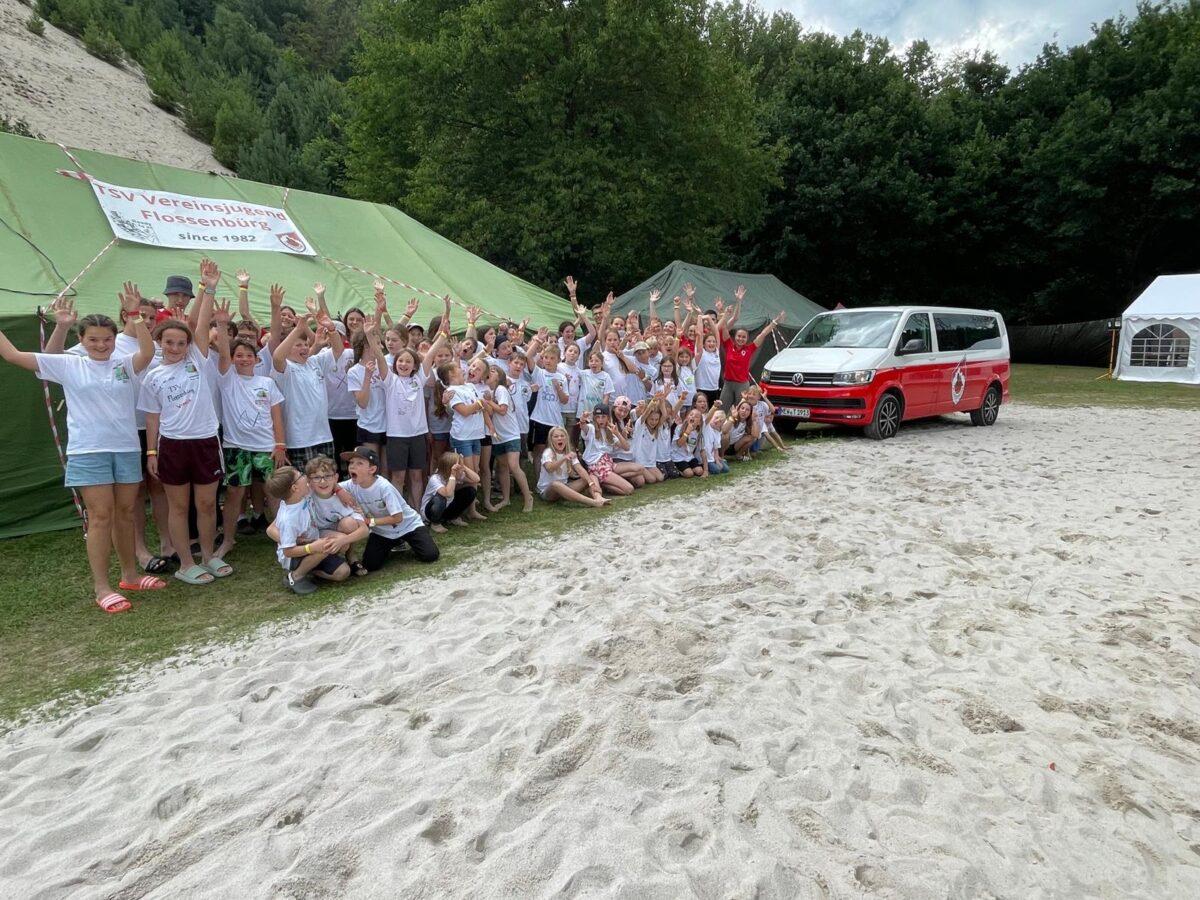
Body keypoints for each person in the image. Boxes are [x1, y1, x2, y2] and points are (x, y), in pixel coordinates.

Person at [0, 283, 161, 613]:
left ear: (115, 339)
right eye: (93, 340)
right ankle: (102, 587)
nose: (101, 345)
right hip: (88, 452)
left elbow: (147, 353)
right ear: (82, 340)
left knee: (126, 513)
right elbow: (13, 355)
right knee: (100, 517)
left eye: (107, 340)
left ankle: (130, 576)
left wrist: (136, 315)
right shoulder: (70, 364)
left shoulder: (123, 363)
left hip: (126, 449)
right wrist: (59, 326)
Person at [140, 259, 229, 586]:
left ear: (189, 345)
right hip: (173, 445)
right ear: (160, 343)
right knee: (178, 507)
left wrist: (208, 288)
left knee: (206, 504)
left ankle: (208, 556)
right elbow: (152, 417)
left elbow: (201, 323)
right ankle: (186, 563)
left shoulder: (197, 360)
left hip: (205, 441)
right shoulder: (153, 376)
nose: (175, 347)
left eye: (181, 342)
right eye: (169, 342)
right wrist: (152, 452)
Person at [211, 299, 287, 561]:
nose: (244, 359)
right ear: (233, 359)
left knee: (273, 492)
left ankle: (284, 537)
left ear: (257, 359)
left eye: (249, 356)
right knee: (235, 493)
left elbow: (276, 416)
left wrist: (280, 445)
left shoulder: (266, 382)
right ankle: (228, 540)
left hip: (266, 447)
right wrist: (222, 325)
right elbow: (222, 354)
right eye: (239, 355)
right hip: (237, 447)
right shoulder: (227, 379)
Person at [339, 446, 439, 571]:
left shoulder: (384, 487)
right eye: (351, 462)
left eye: (359, 463)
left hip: (408, 525)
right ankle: (395, 542)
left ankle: (404, 539)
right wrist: (339, 491)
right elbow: (332, 485)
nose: (352, 467)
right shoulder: (351, 484)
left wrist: (369, 522)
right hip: (382, 531)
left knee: (430, 555)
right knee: (371, 565)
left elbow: (398, 518)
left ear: (372, 469)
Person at [271, 296, 340, 469]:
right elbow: (277, 357)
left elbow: (338, 350)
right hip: (299, 440)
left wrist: (331, 329)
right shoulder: (285, 369)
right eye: (298, 345)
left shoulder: (315, 362)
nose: (304, 348)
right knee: (303, 482)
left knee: (326, 478)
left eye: (305, 344)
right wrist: (297, 329)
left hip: (324, 436)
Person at [265, 465, 350, 595]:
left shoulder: (303, 493)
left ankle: (310, 567)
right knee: (325, 547)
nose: (305, 476)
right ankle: (296, 576)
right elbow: (288, 551)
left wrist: (340, 491)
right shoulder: (289, 518)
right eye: (300, 475)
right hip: (294, 555)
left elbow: (327, 484)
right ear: (295, 488)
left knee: (343, 570)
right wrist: (311, 548)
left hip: (312, 542)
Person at [718, 286, 785, 410]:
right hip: (728, 383)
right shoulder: (729, 344)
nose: (740, 339)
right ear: (735, 337)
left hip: (742, 385)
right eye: (739, 336)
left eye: (743, 337)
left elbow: (763, 334)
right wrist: (736, 302)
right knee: (721, 409)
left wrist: (775, 322)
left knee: (743, 410)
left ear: (746, 339)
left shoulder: (749, 349)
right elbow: (724, 327)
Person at [304, 456, 370, 576]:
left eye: (328, 476)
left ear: (336, 477)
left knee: (350, 525)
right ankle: (313, 565)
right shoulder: (306, 493)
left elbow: (364, 530)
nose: (323, 481)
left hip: (334, 531)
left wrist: (342, 540)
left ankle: (350, 555)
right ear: (309, 480)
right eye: (317, 477)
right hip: (315, 532)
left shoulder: (345, 498)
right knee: (342, 544)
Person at [484, 365, 533, 512]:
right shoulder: (490, 392)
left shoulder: (501, 389)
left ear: (499, 377)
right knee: (502, 467)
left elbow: (502, 410)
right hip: (498, 436)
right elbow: (491, 413)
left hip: (511, 434)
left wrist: (488, 402)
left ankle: (528, 498)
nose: (489, 373)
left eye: (492, 371)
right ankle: (506, 499)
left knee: (513, 466)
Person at [536, 426, 608, 507]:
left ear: (566, 438)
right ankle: (592, 502)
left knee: (591, 477)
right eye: (556, 436)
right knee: (555, 484)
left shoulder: (569, 453)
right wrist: (564, 458)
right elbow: (549, 468)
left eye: (562, 436)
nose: (560, 438)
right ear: (551, 440)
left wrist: (591, 484)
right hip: (547, 491)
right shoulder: (548, 453)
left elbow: (580, 469)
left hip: (565, 486)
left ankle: (598, 498)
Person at [579, 404, 636, 495]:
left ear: (608, 418)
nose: (600, 420)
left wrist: (617, 433)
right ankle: (604, 482)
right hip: (597, 465)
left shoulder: (610, 431)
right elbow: (584, 427)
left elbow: (626, 447)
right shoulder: (591, 428)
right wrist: (582, 420)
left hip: (608, 462)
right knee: (629, 489)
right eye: (598, 417)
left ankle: (603, 481)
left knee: (639, 469)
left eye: (603, 417)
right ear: (594, 418)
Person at [421, 451, 480, 532]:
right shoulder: (435, 479)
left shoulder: (456, 475)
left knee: (470, 491)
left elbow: (476, 479)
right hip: (430, 512)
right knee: (441, 498)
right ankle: (435, 523)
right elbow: (447, 493)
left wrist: (464, 467)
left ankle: (452, 518)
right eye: (460, 467)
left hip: (446, 507)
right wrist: (452, 475)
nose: (462, 470)